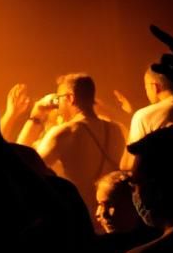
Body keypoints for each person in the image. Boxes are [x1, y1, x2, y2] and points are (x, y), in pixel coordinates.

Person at [22, 73, 126, 210]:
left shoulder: (66, 132)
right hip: (110, 212)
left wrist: (36, 115)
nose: (57, 105)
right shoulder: (116, 129)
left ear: (70, 98)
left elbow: (25, 167)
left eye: (59, 99)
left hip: (79, 216)